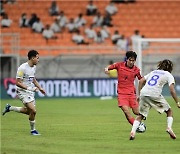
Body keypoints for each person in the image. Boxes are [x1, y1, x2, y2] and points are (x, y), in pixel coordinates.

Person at [129, 59, 180, 140]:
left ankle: (133, 132)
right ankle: (169, 128)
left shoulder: (154, 72)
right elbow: (172, 90)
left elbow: (141, 81)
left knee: (140, 115)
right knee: (169, 111)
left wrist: (139, 94)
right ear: (170, 68)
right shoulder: (168, 75)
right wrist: (177, 102)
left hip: (144, 93)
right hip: (154, 94)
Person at [2, 50, 46, 135]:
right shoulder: (22, 68)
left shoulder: (34, 67)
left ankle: (10, 108)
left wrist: (40, 88)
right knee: (33, 110)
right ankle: (33, 130)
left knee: (29, 112)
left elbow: (33, 79)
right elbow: (18, 83)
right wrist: (30, 88)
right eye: (37, 58)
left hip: (30, 92)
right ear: (32, 58)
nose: (38, 60)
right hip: (22, 91)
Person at [104, 51, 142, 126]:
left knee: (136, 112)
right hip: (121, 94)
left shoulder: (136, 70)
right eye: (130, 60)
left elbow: (141, 79)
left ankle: (145, 112)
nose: (131, 62)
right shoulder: (119, 65)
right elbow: (110, 67)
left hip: (131, 94)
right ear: (126, 59)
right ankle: (137, 127)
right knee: (126, 112)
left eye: (133, 60)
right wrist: (106, 69)